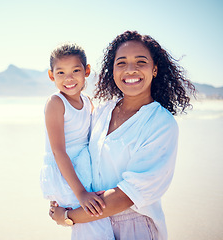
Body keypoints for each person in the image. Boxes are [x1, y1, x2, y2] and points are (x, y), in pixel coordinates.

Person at [49, 31, 196, 240]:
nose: (130, 70)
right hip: (91, 226)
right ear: (113, 70)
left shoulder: (160, 123)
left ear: (154, 69)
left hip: (132, 227)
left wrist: (68, 216)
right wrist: (61, 193)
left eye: (141, 62)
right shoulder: (100, 112)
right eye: (122, 63)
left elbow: (127, 195)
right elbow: (74, 151)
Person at [40, 43, 114, 240]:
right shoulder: (56, 103)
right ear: (51, 75)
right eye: (61, 73)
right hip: (67, 173)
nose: (69, 78)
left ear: (87, 71)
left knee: (97, 224)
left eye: (75, 70)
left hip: (83, 169)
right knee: (92, 224)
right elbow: (58, 151)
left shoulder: (88, 101)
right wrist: (81, 192)